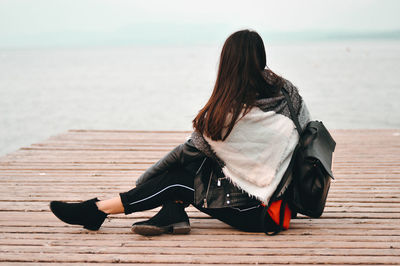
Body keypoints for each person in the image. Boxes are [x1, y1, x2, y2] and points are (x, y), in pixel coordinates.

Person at [50, 29, 311, 236]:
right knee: (196, 166)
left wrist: (144, 182)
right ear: (261, 57)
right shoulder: (288, 94)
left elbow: (184, 154)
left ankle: (96, 210)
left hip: (258, 213)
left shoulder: (225, 114)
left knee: (177, 178)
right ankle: (172, 213)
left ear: (227, 64)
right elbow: (303, 132)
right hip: (283, 199)